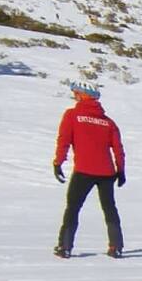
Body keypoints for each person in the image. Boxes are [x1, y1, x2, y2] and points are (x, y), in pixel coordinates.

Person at [53, 82, 126, 258]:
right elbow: (118, 148)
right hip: (107, 173)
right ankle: (116, 246)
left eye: (76, 93)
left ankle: (65, 247)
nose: (74, 96)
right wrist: (121, 170)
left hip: (83, 171)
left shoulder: (72, 115)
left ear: (82, 95)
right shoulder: (108, 122)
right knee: (109, 208)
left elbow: (64, 140)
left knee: (73, 208)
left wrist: (58, 162)